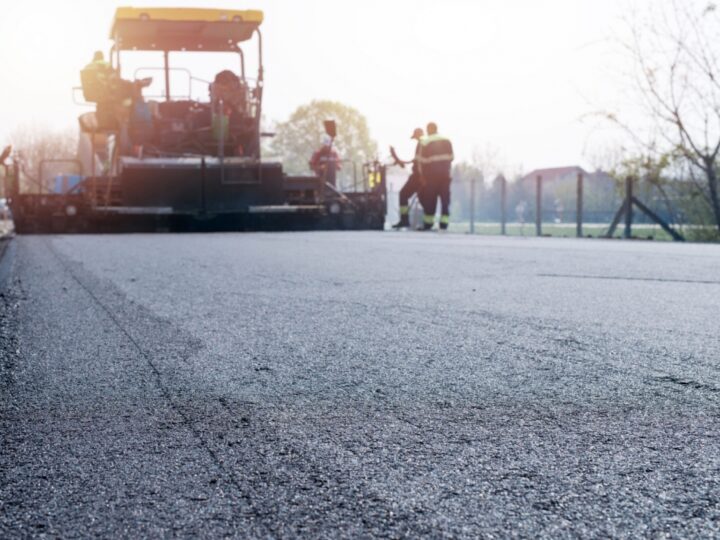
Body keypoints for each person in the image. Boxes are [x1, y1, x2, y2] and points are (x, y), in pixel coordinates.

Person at [418, 122, 454, 230]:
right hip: (445, 175)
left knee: (430, 199)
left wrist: (422, 177)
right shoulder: (447, 140)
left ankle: (428, 223)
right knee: (445, 199)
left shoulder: (425, 142)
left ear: (428, 129)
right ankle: (444, 223)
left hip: (431, 176)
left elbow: (421, 162)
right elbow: (451, 157)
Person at [391, 127, 425, 229]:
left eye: (416, 137)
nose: (415, 139)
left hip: (418, 176)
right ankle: (426, 223)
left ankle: (405, 220)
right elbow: (414, 160)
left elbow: (418, 162)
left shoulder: (422, 144)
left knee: (403, 194)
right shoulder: (423, 144)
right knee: (423, 198)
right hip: (422, 176)